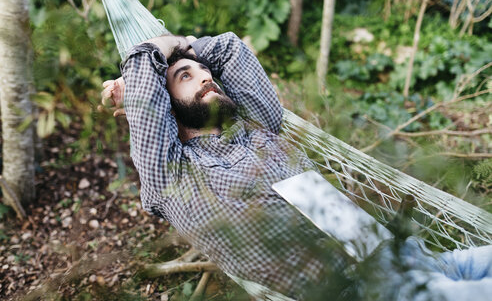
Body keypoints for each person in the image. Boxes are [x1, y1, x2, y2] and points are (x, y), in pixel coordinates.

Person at [101, 32, 492, 300]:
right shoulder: (175, 175)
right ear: (165, 109)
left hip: (414, 258)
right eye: (186, 77)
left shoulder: (256, 128)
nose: (207, 79)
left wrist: (185, 48)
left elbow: (228, 49)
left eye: (207, 76)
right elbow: (143, 62)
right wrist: (145, 77)